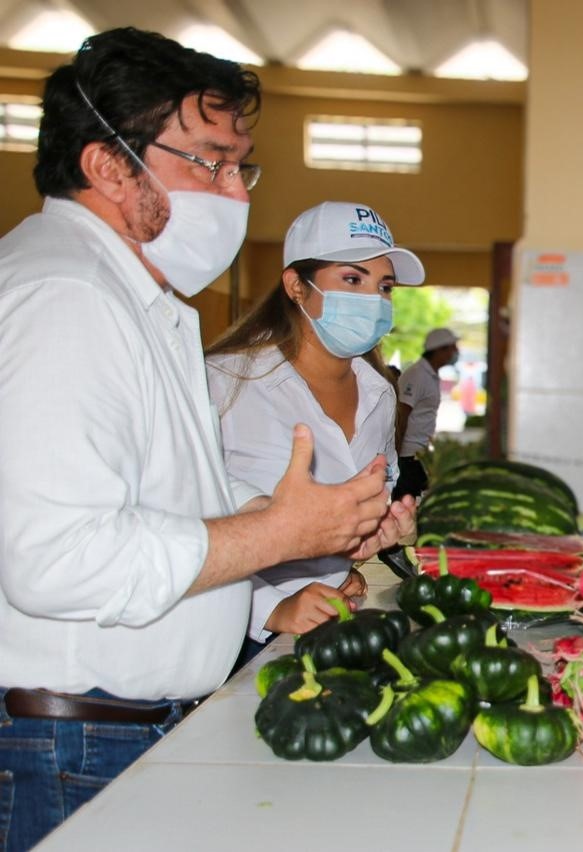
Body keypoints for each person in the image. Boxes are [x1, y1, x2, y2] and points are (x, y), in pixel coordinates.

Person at [0, 29, 412, 849]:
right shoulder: (65, 297)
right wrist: (276, 533)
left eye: (239, 167)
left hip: (116, 731)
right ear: (109, 164)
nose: (232, 192)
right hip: (76, 741)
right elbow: (54, 557)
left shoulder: (136, 303)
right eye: (209, 162)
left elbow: (168, 502)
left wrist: (313, 519)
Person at [206, 201, 426, 655]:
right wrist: (270, 607)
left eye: (384, 286)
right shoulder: (224, 381)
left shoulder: (380, 396)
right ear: (296, 286)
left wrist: (365, 542)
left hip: (333, 621)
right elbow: (177, 517)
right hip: (232, 639)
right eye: (352, 279)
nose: (374, 299)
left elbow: (342, 522)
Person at [394, 326, 460, 498]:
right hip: (407, 456)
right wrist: (395, 455)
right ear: (439, 350)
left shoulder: (430, 374)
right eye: (452, 348)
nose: (456, 353)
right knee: (406, 506)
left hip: (418, 455)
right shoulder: (417, 375)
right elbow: (402, 414)